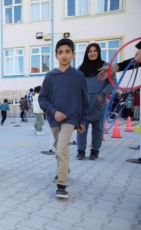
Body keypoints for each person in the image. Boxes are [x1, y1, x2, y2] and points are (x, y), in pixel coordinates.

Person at [39, 39, 89, 199]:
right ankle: (64, 168)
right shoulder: (50, 76)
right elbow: (42, 99)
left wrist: (82, 120)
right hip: (54, 118)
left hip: (71, 117)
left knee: (61, 147)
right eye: (60, 52)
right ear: (56, 55)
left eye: (68, 51)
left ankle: (62, 184)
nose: (64, 55)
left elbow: (84, 100)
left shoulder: (78, 76)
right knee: (57, 145)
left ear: (73, 54)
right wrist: (53, 112)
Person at [76, 43, 116, 160]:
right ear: (86, 53)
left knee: (98, 129)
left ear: (98, 52)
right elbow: (76, 86)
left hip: (99, 102)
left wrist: (102, 93)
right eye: (90, 51)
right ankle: (81, 151)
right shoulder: (80, 68)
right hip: (84, 103)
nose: (92, 53)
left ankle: (95, 151)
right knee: (81, 128)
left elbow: (112, 83)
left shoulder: (105, 66)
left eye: (95, 51)